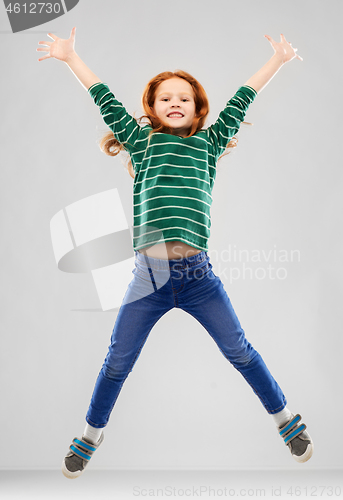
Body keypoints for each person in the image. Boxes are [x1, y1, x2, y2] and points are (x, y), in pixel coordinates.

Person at [37, 27, 313, 479]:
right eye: (165, 98)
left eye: (184, 97)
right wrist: (70, 58)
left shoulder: (208, 144)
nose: (175, 103)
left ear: (198, 107)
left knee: (239, 350)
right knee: (117, 361)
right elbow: (102, 96)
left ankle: (285, 420)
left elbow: (243, 97)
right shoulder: (141, 142)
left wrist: (278, 61)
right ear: (153, 108)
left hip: (199, 279)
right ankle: (91, 432)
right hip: (148, 279)